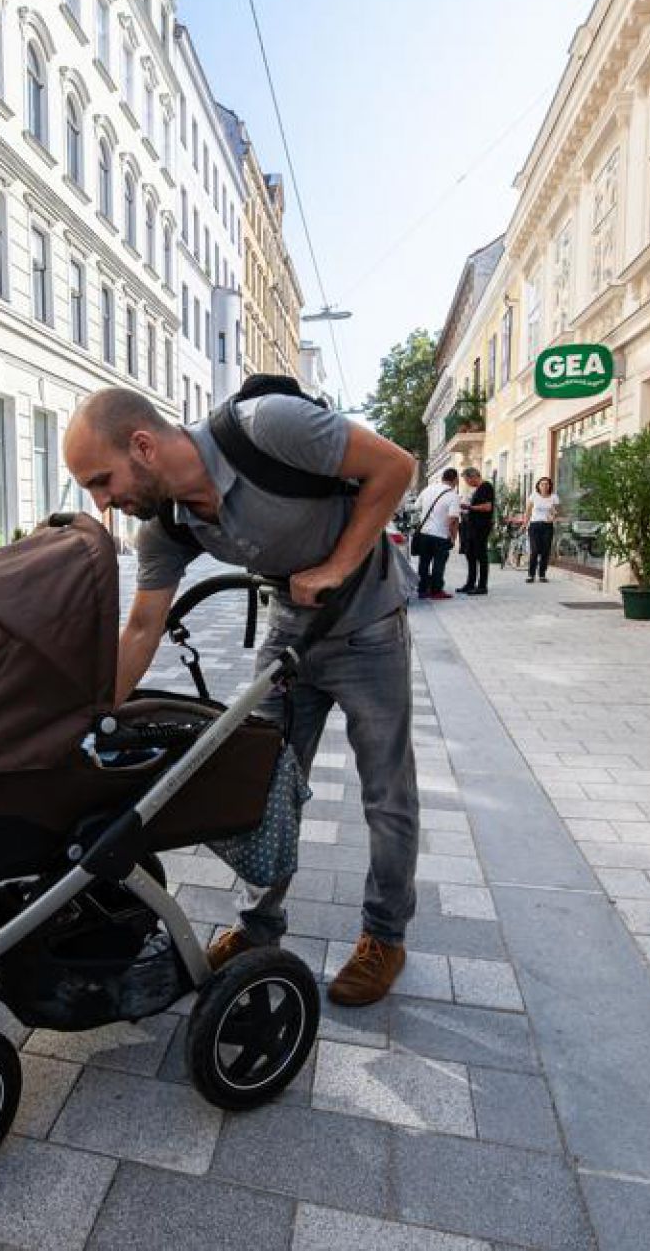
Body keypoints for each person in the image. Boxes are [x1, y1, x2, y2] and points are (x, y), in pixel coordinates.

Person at [62, 377, 422, 1006]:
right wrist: (92, 717)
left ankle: (384, 937)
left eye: (101, 481)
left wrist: (338, 565)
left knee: (386, 794)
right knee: (262, 780)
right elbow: (144, 626)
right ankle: (258, 928)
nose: (103, 503)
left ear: (143, 446)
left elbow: (396, 466)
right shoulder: (166, 528)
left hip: (368, 628)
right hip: (291, 631)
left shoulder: (268, 426)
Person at [412, 468, 462, 600]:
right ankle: (436, 590)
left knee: (424, 562)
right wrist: (453, 536)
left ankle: (422, 589)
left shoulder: (428, 489)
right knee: (439, 564)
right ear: (455, 480)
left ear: (443, 478)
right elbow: (452, 519)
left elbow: (416, 507)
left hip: (424, 533)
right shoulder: (453, 495)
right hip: (440, 534)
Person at [458, 467, 495, 594]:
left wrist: (469, 507)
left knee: (481, 555)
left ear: (473, 477)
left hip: (481, 527)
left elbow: (487, 507)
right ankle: (470, 583)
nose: (467, 483)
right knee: (470, 555)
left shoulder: (486, 487)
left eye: (467, 480)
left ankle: (482, 586)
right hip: (473, 527)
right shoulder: (478, 489)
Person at [525, 477, 560, 582]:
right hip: (534, 526)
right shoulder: (534, 496)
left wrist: (553, 517)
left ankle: (542, 574)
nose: (544, 486)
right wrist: (525, 524)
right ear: (538, 486)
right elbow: (528, 512)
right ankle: (531, 575)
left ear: (550, 486)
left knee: (545, 551)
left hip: (547, 526)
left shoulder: (554, 497)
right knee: (534, 551)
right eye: (542, 484)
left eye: (547, 484)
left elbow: (557, 511)